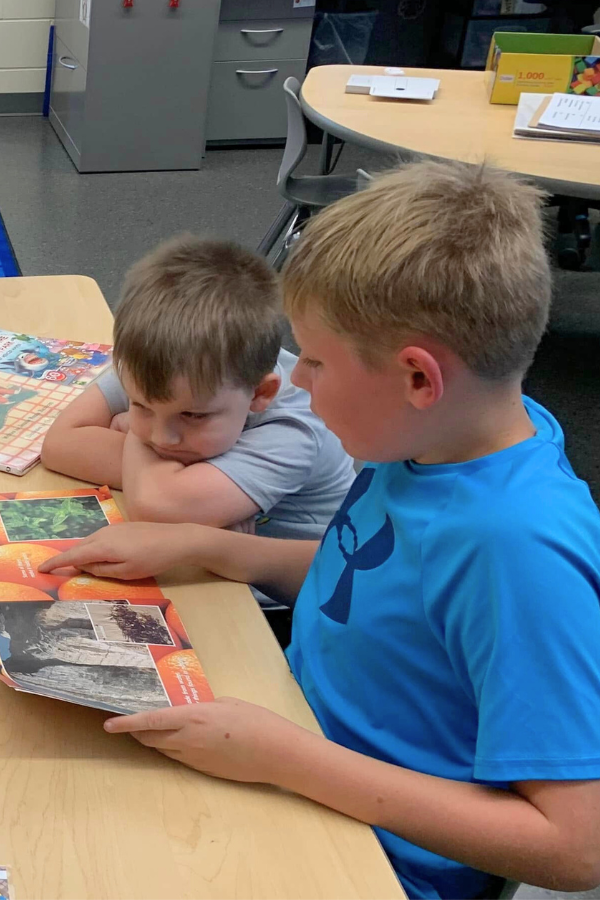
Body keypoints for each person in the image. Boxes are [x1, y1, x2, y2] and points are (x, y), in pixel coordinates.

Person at [41, 161, 600, 900]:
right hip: (295, 732)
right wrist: (208, 547)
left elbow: (576, 847)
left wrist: (287, 759)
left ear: (418, 378)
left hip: (371, 855)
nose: (297, 384)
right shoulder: (427, 440)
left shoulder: (518, 547)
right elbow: (375, 578)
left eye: (315, 360)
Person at [42, 237, 354, 552]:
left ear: (261, 393)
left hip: (270, 597)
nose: (163, 439)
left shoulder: (294, 428)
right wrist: (180, 491)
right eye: (141, 406)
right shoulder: (160, 359)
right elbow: (59, 443)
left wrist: (134, 435)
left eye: (193, 415)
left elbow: (155, 507)